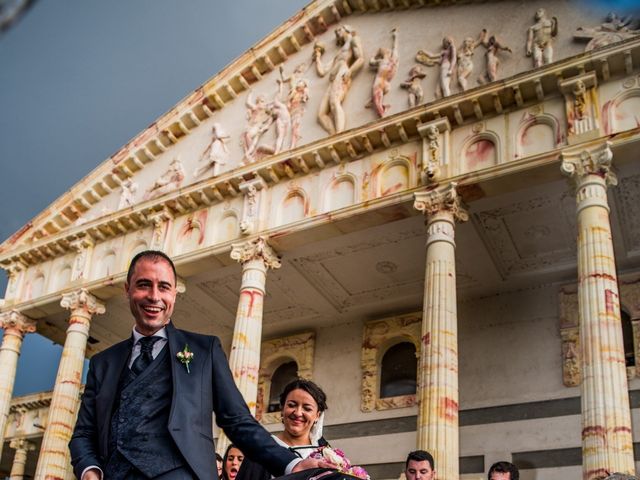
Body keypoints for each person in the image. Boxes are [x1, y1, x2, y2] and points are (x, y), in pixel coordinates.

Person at [69, 250, 329, 480]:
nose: (154, 296)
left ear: (174, 293)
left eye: (164, 287)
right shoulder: (103, 363)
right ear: (128, 289)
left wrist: (290, 462)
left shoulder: (204, 350)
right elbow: (83, 433)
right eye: (144, 285)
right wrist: (90, 471)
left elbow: (237, 420)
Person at [236, 379, 329, 480]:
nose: (298, 413)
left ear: (317, 416)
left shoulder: (325, 452)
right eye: (291, 405)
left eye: (307, 408)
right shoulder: (260, 450)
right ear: (282, 409)